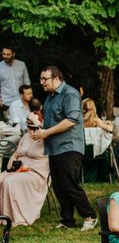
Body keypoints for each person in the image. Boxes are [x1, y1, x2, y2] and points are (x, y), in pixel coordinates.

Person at [31, 66, 97, 230]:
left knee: (69, 184)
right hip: (54, 147)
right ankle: (67, 220)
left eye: (44, 79)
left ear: (56, 78)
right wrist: (39, 128)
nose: (41, 82)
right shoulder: (50, 97)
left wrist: (46, 133)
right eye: (41, 79)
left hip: (69, 146)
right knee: (59, 186)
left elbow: (71, 120)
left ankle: (90, 215)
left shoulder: (70, 94)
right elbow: (51, 121)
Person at [0, 113, 49, 226]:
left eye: (34, 128)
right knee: (1, 178)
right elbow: (16, 154)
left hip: (36, 173)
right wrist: (11, 164)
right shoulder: (25, 137)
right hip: (19, 169)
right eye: (29, 127)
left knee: (9, 182)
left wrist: (39, 131)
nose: (31, 131)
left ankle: (11, 216)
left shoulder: (45, 138)